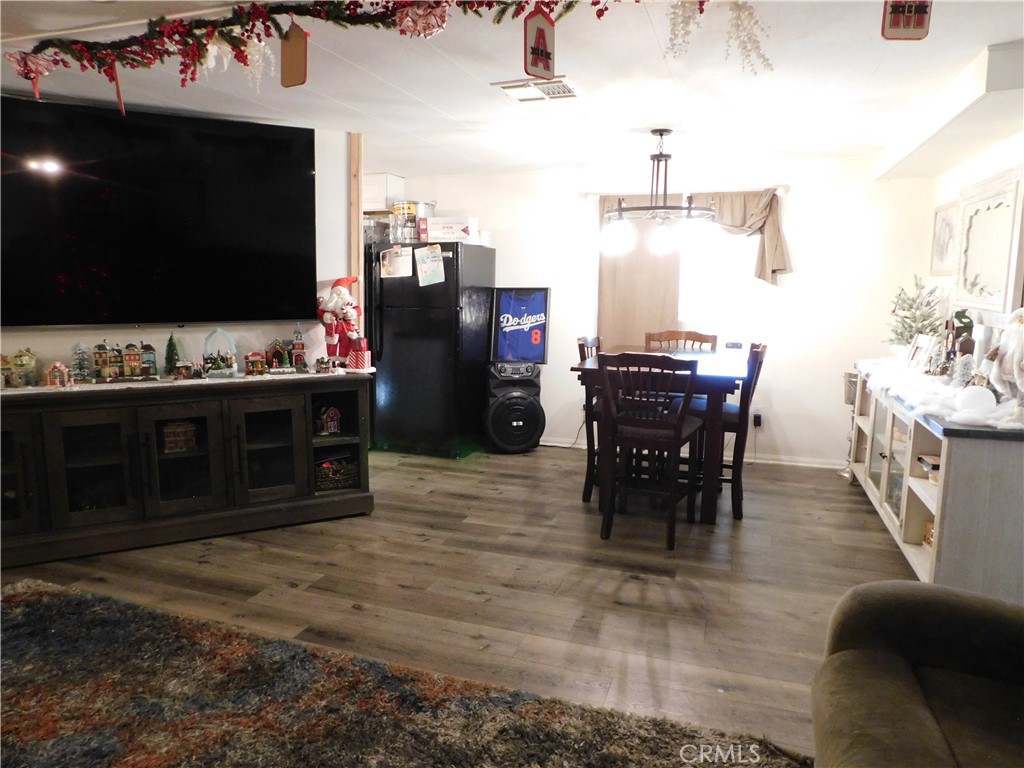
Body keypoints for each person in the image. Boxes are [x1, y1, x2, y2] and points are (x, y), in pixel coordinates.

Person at [317, 276, 362, 361]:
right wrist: (327, 316)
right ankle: (332, 361)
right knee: (331, 344)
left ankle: (343, 361)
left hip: (346, 328)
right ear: (333, 295)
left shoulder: (350, 304)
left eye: (342, 293)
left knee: (345, 344)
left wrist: (351, 313)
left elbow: (358, 310)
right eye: (338, 293)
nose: (340, 295)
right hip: (333, 328)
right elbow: (320, 312)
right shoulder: (328, 305)